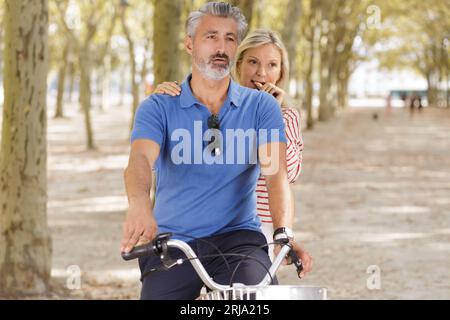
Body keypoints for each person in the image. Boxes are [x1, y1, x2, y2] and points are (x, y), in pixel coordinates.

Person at [121, 2, 312, 300]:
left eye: (230, 38)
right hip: (173, 242)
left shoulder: (263, 108)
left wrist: (283, 232)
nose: (221, 47)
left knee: (257, 299)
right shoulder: (158, 106)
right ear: (189, 43)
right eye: (211, 36)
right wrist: (139, 204)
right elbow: (140, 159)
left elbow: (277, 175)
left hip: (239, 241)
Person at [154, 29, 305, 260]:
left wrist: (274, 116)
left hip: (264, 226)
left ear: (281, 71)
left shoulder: (289, 116)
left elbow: (290, 173)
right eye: (253, 62)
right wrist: (164, 104)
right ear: (239, 64)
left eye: (272, 65)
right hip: (214, 223)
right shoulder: (216, 106)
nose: (262, 73)